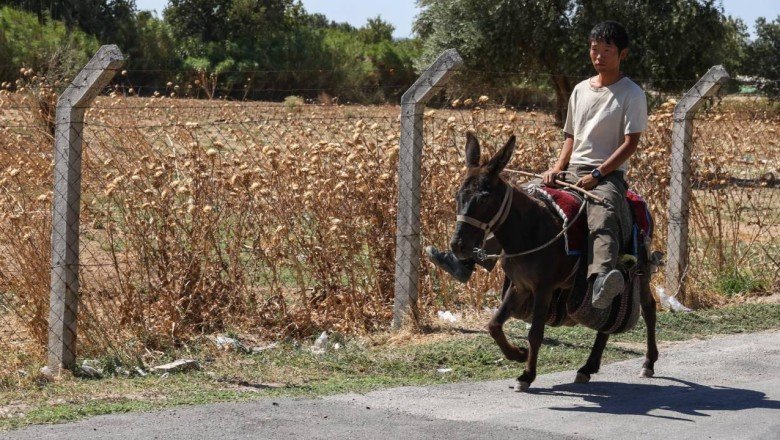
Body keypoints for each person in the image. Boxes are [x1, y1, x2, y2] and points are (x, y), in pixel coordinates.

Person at [426, 20, 647, 309]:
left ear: (623, 54)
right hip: (571, 171)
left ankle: (600, 281)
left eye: (607, 50)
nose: (599, 56)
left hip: (607, 177)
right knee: (517, 202)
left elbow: (630, 143)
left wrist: (598, 174)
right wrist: (556, 168)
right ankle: (465, 262)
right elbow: (571, 136)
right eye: (594, 49)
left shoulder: (632, 94)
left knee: (602, 214)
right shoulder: (580, 90)